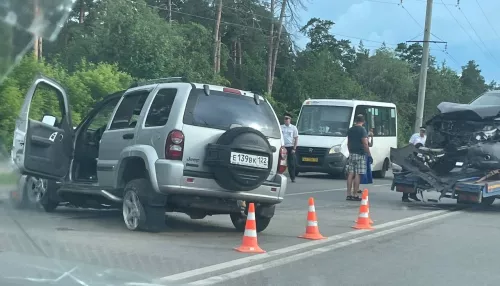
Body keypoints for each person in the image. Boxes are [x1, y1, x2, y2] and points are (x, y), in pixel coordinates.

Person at [346, 114, 373, 201]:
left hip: (352, 153)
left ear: (356, 121)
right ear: (363, 121)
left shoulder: (350, 130)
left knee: (350, 174)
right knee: (358, 174)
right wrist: (369, 154)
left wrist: (350, 152)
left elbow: (348, 143)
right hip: (360, 154)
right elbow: (365, 143)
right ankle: (355, 194)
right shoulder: (362, 130)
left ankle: (348, 194)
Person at [402, 127, 426, 202]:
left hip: (419, 158)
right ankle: (405, 196)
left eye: (424, 131)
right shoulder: (415, 136)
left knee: (415, 178)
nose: (422, 132)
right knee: (407, 179)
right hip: (410, 159)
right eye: (421, 131)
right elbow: (410, 145)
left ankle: (413, 194)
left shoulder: (426, 138)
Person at [281, 112, 299, 183]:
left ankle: (293, 178)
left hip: (290, 147)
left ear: (290, 119)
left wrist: (294, 148)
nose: (285, 120)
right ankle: (279, 175)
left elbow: (296, 138)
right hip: (283, 147)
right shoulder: (281, 127)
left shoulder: (293, 128)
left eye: (287, 119)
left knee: (291, 164)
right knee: (281, 162)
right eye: (285, 119)